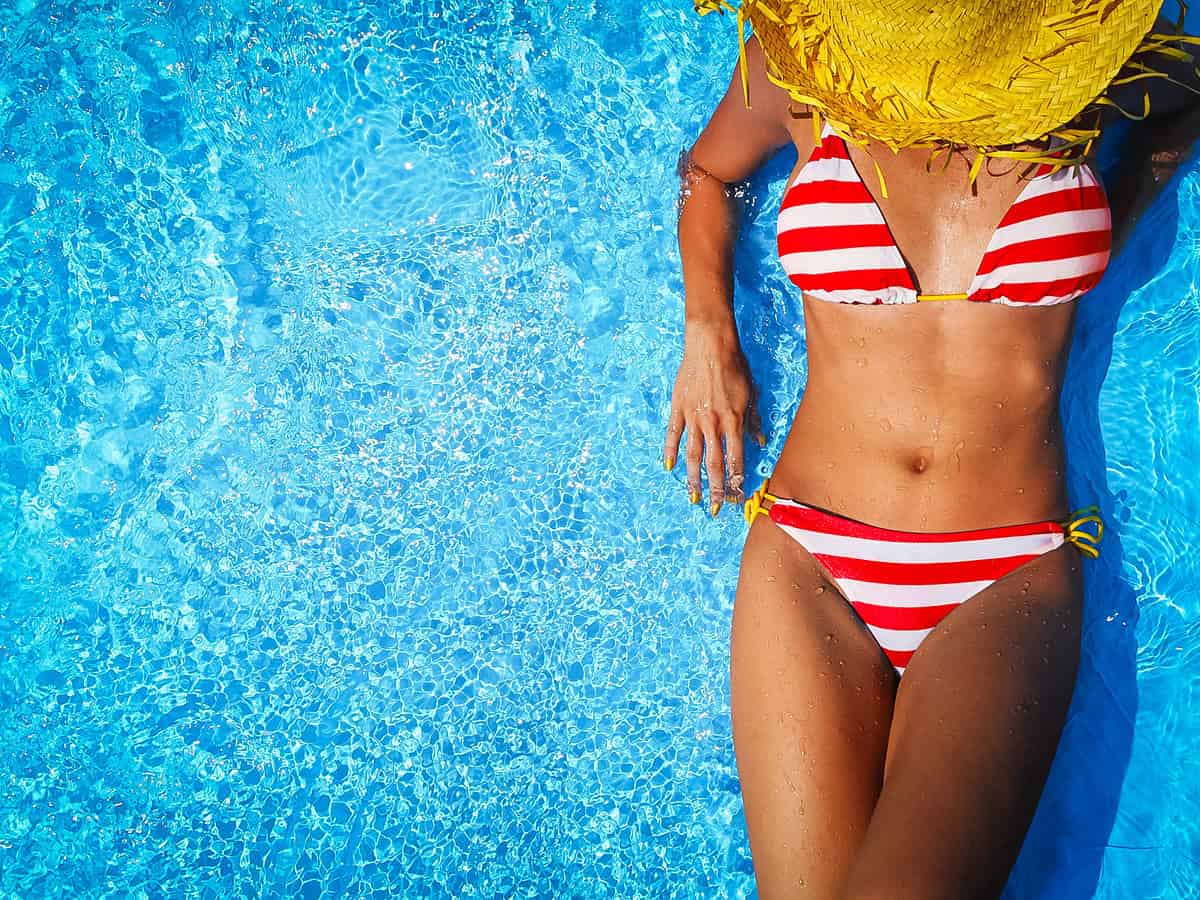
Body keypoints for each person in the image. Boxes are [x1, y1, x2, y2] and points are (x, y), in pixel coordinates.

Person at [664, 1, 1200, 896]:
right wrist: (708, 336)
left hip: (1004, 576)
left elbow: (1190, 98)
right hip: (809, 560)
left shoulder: (1072, 76)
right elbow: (707, 175)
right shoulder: (804, 64)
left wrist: (1122, 203)